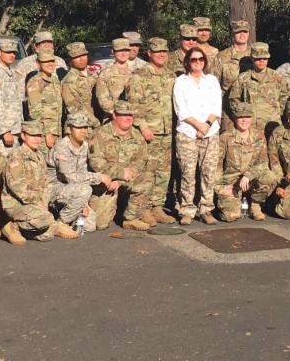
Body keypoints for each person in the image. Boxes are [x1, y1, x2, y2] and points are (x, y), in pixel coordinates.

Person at [126, 37, 178, 224]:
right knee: (147, 171)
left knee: (164, 172)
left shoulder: (172, 76)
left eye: (164, 51)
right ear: (149, 53)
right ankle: (144, 208)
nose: (162, 55)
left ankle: (157, 206)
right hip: (149, 131)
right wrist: (143, 126)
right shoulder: (139, 76)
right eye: (157, 52)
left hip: (169, 130)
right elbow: (133, 105)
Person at [0, 120, 78, 243]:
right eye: (32, 135)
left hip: (36, 205)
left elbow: (44, 184)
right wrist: (37, 202)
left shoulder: (39, 156)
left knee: (47, 236)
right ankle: (12, 227)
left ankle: (27, 230)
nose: (37, 139)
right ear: (23, 136)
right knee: (46, 219)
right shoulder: (16, 156)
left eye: (39, 136)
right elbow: (16, 187)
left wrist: (44, 202)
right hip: (17, 204)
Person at [172, 47, 222, 225]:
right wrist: (198, 126)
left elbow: (217, 105)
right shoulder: (181, 82)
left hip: (211, 132)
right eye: (194, 60)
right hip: (188, 133)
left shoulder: (212, 81)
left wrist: (207, 125)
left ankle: (206, 209)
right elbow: (181, 109)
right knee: (188, 172)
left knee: (209, 173)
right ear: (188, 62)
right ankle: (187, 209)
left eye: (201, 59)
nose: (198, 62)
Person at [88, 101, 154, 231]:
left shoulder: (137, 135)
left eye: (130, 115)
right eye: (124, 115)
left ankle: (131, 218)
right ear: (114, 116)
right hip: (105, 181)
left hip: (125, 178)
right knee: (100, 224)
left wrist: (123, 177)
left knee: (147, 178)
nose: (128, 118)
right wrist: (118, 174)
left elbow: (141, 160)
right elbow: (95, 162)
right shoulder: (99, 134)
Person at [47, 112, 112, 232]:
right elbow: (70, 178)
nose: (83, 131)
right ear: (69, 129)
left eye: (85, 127)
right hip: (54, 190)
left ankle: (68, 216)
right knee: (85, 190)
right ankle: (61, 223)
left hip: (75, 193)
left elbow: (82, 175)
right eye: (78, 127)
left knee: (88, 226)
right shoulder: (61, 147)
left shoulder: (85, 146)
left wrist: (84, 204)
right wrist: (99, 177)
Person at [214, 102, 277, 222]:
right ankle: (230, 203)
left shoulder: (259, 136)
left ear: (252, 118)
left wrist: (248, 175)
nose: (244, 120)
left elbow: (263, 162)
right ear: (234, 118)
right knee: (230, 216)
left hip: (252, 178)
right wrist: (220, 188)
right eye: (240, 117)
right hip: (231, 181)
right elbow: (216, 165)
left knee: (269, 176)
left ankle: (255, 205)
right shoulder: (225, 137)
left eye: (247, 117)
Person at [228, 42, 289, 139]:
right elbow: (233, 99)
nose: (261, 61)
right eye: (258, 58)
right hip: (250, 127)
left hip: (272, 125)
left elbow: (284, 97)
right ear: (252, 58)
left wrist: (276, 112)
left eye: (264, 58)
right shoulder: (243, 78)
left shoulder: (277, 77)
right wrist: (242, 117)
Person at [213, 20, 253, 130]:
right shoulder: (222, 57)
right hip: (227, 112)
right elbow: (213, 85)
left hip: (252, 112)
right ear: (233, 34)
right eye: (238, 32)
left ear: (249, 33)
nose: (242, 35)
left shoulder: (256, 55)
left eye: (245, 32)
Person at [25, 49, 63, 149]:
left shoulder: (55, 80)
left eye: (52, 61)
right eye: (46, 61)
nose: (50, 64)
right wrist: (47, 134)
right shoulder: (35, 82)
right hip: (43, 135)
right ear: (38, 64)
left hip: (57, 132)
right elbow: (35, 113)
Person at [15, 30, 67, 95]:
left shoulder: (60, 62)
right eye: (43, 42)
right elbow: (19, 90)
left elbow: (65, 86)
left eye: (50, 42)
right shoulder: (25, 63)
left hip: (57, 103)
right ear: (36, 46)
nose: (47, 45)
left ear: (53, 45)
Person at [60, 41, 99, 128]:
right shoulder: (68, 81)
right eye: (76, 57)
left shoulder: (93, 75)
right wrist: (95, 123)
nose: (81, 59)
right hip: (81, 126)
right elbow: (75, 108)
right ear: (70, 59)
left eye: (83, 55)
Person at [95, 38, 133, 120]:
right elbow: (103, 99)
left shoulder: (136, 71)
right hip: (113, 117)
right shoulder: (105, 73)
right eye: (120, 51)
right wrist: (116, 112)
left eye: (126, 50)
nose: (123, 53)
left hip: (134, 117)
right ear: (113, 51)